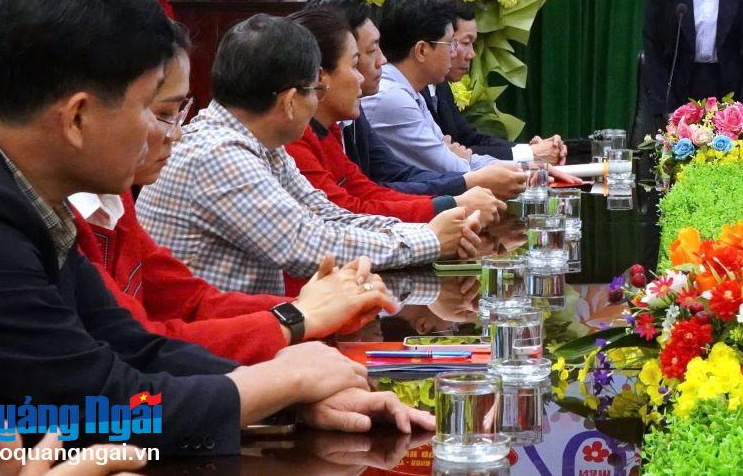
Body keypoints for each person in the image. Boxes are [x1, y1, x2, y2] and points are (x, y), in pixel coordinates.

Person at [0, 0, 429, 474]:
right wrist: (282, 379)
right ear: (77, 117)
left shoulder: (21, 189)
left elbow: (133, 346)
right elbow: (102, 401)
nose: (170, 134)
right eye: (152, 110)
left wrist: (291, 395)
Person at [71, 22, 397, 365]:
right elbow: (141, 350)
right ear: (78, 116)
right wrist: (298, 319)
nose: (176, 134)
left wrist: (311, 309)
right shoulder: (216, 152)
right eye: (163, 113)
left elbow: (193, 302)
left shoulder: (113, 197)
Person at [138, 15, 486, 294]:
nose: (318, 99)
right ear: (290, 101)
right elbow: (310, 244)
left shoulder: (259, 144)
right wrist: (429, 238)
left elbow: (328, 216)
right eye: (315, 90)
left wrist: (432, 229)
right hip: (210, 352)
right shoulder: (218, 154)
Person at [284, 7, 506, 224]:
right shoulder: (294, 138)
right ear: (320, 78)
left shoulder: (328, 127)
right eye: (355, 64)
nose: (362, 76)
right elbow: (344, 214)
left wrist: (452, 204)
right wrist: (451, 208)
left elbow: (367, 191)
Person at [302, 0, 484, 198]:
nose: (383, 60)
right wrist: (463, 188)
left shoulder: (347, 113)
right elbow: (350, 204)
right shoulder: (300, 134)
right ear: (320, 74)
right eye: (368, 53)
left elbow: (379, 181)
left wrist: (464, 184)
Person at [361, 0, 527, 197]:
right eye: (450, 44)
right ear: (421, 50)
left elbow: (459, 161)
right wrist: (462, 159)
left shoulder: (411, 92)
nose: (454, 52)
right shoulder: (392, 98)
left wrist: (525, 168)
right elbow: (452, 168)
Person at [424, 0, 566, 164]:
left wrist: (531, 151)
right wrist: (531, 153)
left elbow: (470, 140)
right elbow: (450, 152)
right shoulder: (410, 91)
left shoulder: (439, 85)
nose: (471, 55)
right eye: (465, 43)